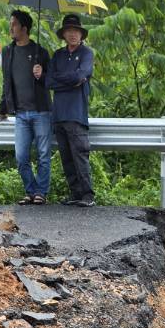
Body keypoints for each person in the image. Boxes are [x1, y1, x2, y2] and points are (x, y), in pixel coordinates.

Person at [0, 10, 52, 205]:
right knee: (21, 156)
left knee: (43, 154)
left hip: (41, 111)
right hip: (20, 114)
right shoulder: (8, 52)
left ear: (24, 28)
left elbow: (51, 81)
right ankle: (31, 191)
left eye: (14, 24)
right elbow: (6, 82)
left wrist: (41, 74)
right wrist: (3, 107)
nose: (11, 27)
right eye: (11, 23)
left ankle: (41, 192)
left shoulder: (40, 52)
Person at [48, 12, 95, 206]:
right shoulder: (58, 55)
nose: (73, 34)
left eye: (76, 31)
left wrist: (65, 79)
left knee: (80, 155)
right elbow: (49, 81)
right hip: (58, 114)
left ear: (81, 34)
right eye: (69, 31)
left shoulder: (86, 53)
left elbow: (82, 75)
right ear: (64, 34)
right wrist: (71, 80)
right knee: (66, 157)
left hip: (76, 114)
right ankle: (75, 194)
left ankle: (87, 195)